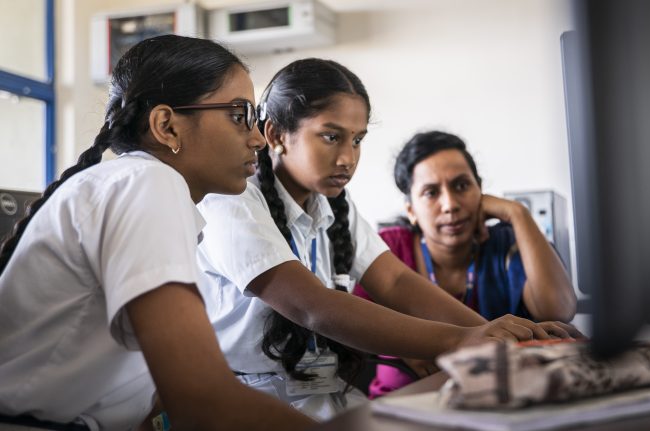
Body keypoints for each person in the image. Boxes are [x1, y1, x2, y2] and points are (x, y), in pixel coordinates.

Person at [195, 58, 582, 421]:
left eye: (358, 140)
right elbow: (312, 307)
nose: (347, 157)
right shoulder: (232, 199)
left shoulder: (332, 208)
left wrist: (505, 338)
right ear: (277, 135)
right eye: (331, 137)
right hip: (250, 400)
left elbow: (395, 280)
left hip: (322, 391)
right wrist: (463, 340)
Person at [0, 35, 313, 430]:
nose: (256, 139)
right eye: (239, 116)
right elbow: (203, 400)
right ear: (166, 126)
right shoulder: (146, 183)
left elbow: (152, 391)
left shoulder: (144, 187)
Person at [353, 130, 578, 397]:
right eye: (431, 192)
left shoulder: (506, 244)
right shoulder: (388, 250)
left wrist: (518, 214)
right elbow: (356, 330)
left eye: (461, 186)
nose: (450, 204)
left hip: (502, 404)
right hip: (403, 408)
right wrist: (406, 345)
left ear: (480, 191)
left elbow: (560, 309)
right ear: (411, 210)